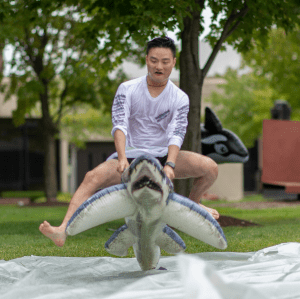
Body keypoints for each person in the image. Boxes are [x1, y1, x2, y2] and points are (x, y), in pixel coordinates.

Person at [39, 37, 220, 247]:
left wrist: (170, 164)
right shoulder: (127, 89)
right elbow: (119, 125)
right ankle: (62, 230)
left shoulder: (180, 98)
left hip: (163, 155)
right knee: (91, 177)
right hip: (132, 155)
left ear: (173, 62)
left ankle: (195, 203)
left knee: (210, 168)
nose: (158, 66)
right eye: (154, 60)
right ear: (146, 60)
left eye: (164, 61)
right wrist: (122, 158)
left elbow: (176, 132)